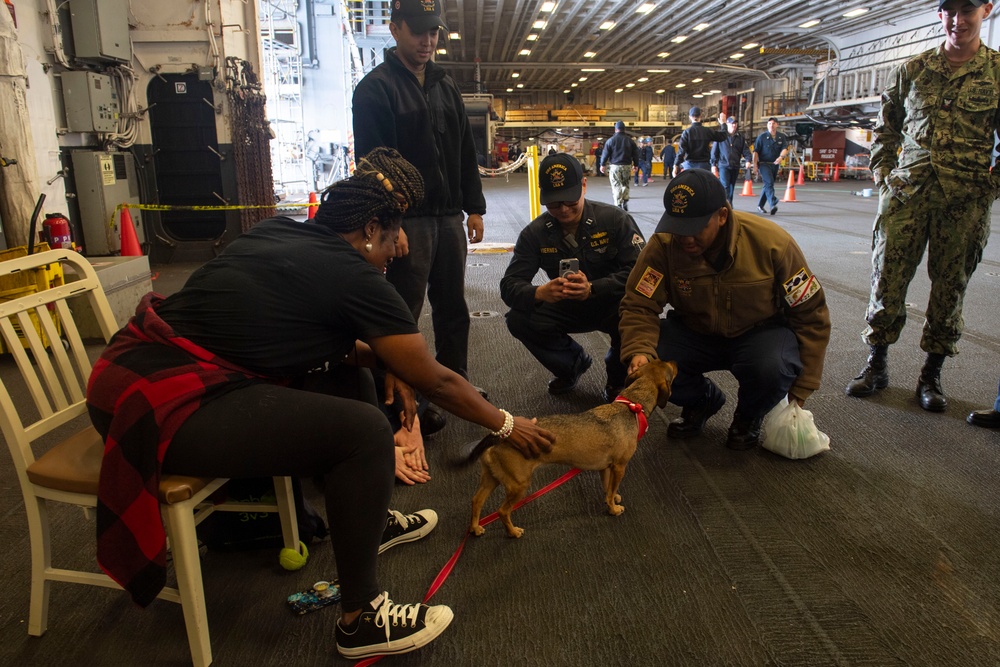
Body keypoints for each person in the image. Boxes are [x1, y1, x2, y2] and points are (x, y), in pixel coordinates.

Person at [85, 148, 555, 660]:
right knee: (364, 432)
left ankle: (365, 521)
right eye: (393, 238)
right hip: (159, 404)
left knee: (350, 375)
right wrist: (508, 425)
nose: (397, 252)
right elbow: (437, 380)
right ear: (371, 228)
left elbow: (300, 336)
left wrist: (382, 361)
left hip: (136, 369)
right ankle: (360, 620)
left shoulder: (279, 229)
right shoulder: (352, 275)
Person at [845, 0, 1000, 412]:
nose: (958, 20)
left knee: (950, 289)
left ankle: (931, 376)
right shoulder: (912, 69)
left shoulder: (997, 71)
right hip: (905, 195)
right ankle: (876, 364)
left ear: (986, 9)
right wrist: (883, 176)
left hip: (964, 201)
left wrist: (990, 187)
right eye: (949, 10)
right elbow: (886, 128)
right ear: (940, 14)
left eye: (967, 9)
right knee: (886, 280)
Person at [619, 169, 831, 450]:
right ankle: (702, 400)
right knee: (639, 361)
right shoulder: (663, 246)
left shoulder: (773, 243)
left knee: (773, 367)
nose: (685, 238)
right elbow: (639, 304)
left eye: (694, 228)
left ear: (722, 215)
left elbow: (811, 314)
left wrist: (802, 388)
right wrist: (639, 351)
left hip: (759, 334)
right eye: (677, 227)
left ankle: (748, 417)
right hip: (694, 332)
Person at [352, 0, 485, 435]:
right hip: (408, 223)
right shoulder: (375, 89)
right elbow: (372, 162)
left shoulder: (446, 86)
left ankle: (453, 390)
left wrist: (475, 206)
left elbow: (466, 151)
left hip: (448, 218)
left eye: (435, 33)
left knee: (453, 311)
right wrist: (392, 223)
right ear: (394, 29)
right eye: (419, 32)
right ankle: (397, 403)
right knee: (401, 317)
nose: (428, 41)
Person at [500, 153, 646, 402]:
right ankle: (572, 364)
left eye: (569, 200)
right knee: (518, 318)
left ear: (584, 185)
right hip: (565, 306)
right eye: (554, 203)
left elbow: (641, 273)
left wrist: (594, 288)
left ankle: (617, 379)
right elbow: (509, 285)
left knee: (638, 316)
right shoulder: (534, 233)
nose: (564, 209)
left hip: (613, 304)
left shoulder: (615, 220)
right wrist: (539, 293)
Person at [673, 106, 729, 177]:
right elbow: (723, 136)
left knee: (690, 187)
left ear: (690, 117)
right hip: (704, 166)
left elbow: (681, 152)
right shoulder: (707, 131)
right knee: (704, 187)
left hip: (690, 166)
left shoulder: (686, 132)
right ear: (701, 116)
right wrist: (723, 123)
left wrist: (675, 165)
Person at [752, 117, 790, 216]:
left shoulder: (781, 137)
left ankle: (760, 205)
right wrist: (755, 165)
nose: (771, 125)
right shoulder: (762, 137)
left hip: (775, 164)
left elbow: (785, 148)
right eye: (769, 124)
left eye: (773, 123)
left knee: (768, 185)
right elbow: (756, 152)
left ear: (777, 125)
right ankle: (772, 203)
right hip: (764, 164)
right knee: (769, 182)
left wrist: (781, 157)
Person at [711, 117, 753, 203]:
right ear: (727, 124)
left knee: (731, 186)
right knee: (725, 185)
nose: (734, 125)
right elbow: (714, 151)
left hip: (735, 166)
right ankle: (726, 204)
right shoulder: (721, 136)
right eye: (732, 123)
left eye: (735, 123)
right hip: (723, 165)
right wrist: (713, 164)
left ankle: (729, 203)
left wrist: (748, 160)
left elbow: (746, 151)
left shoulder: (740, 138)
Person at [600, 120, 640, 210]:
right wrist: (636, 165)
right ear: (624, 129)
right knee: (625, 184)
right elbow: (636, 154)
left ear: (615, 129)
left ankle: (618, 205)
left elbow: (605, 153)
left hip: (615, 167)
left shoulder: (610, 141)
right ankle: (625, 201)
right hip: (627, 166)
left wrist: (602, 164)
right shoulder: (630, 141)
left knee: (616, 185)